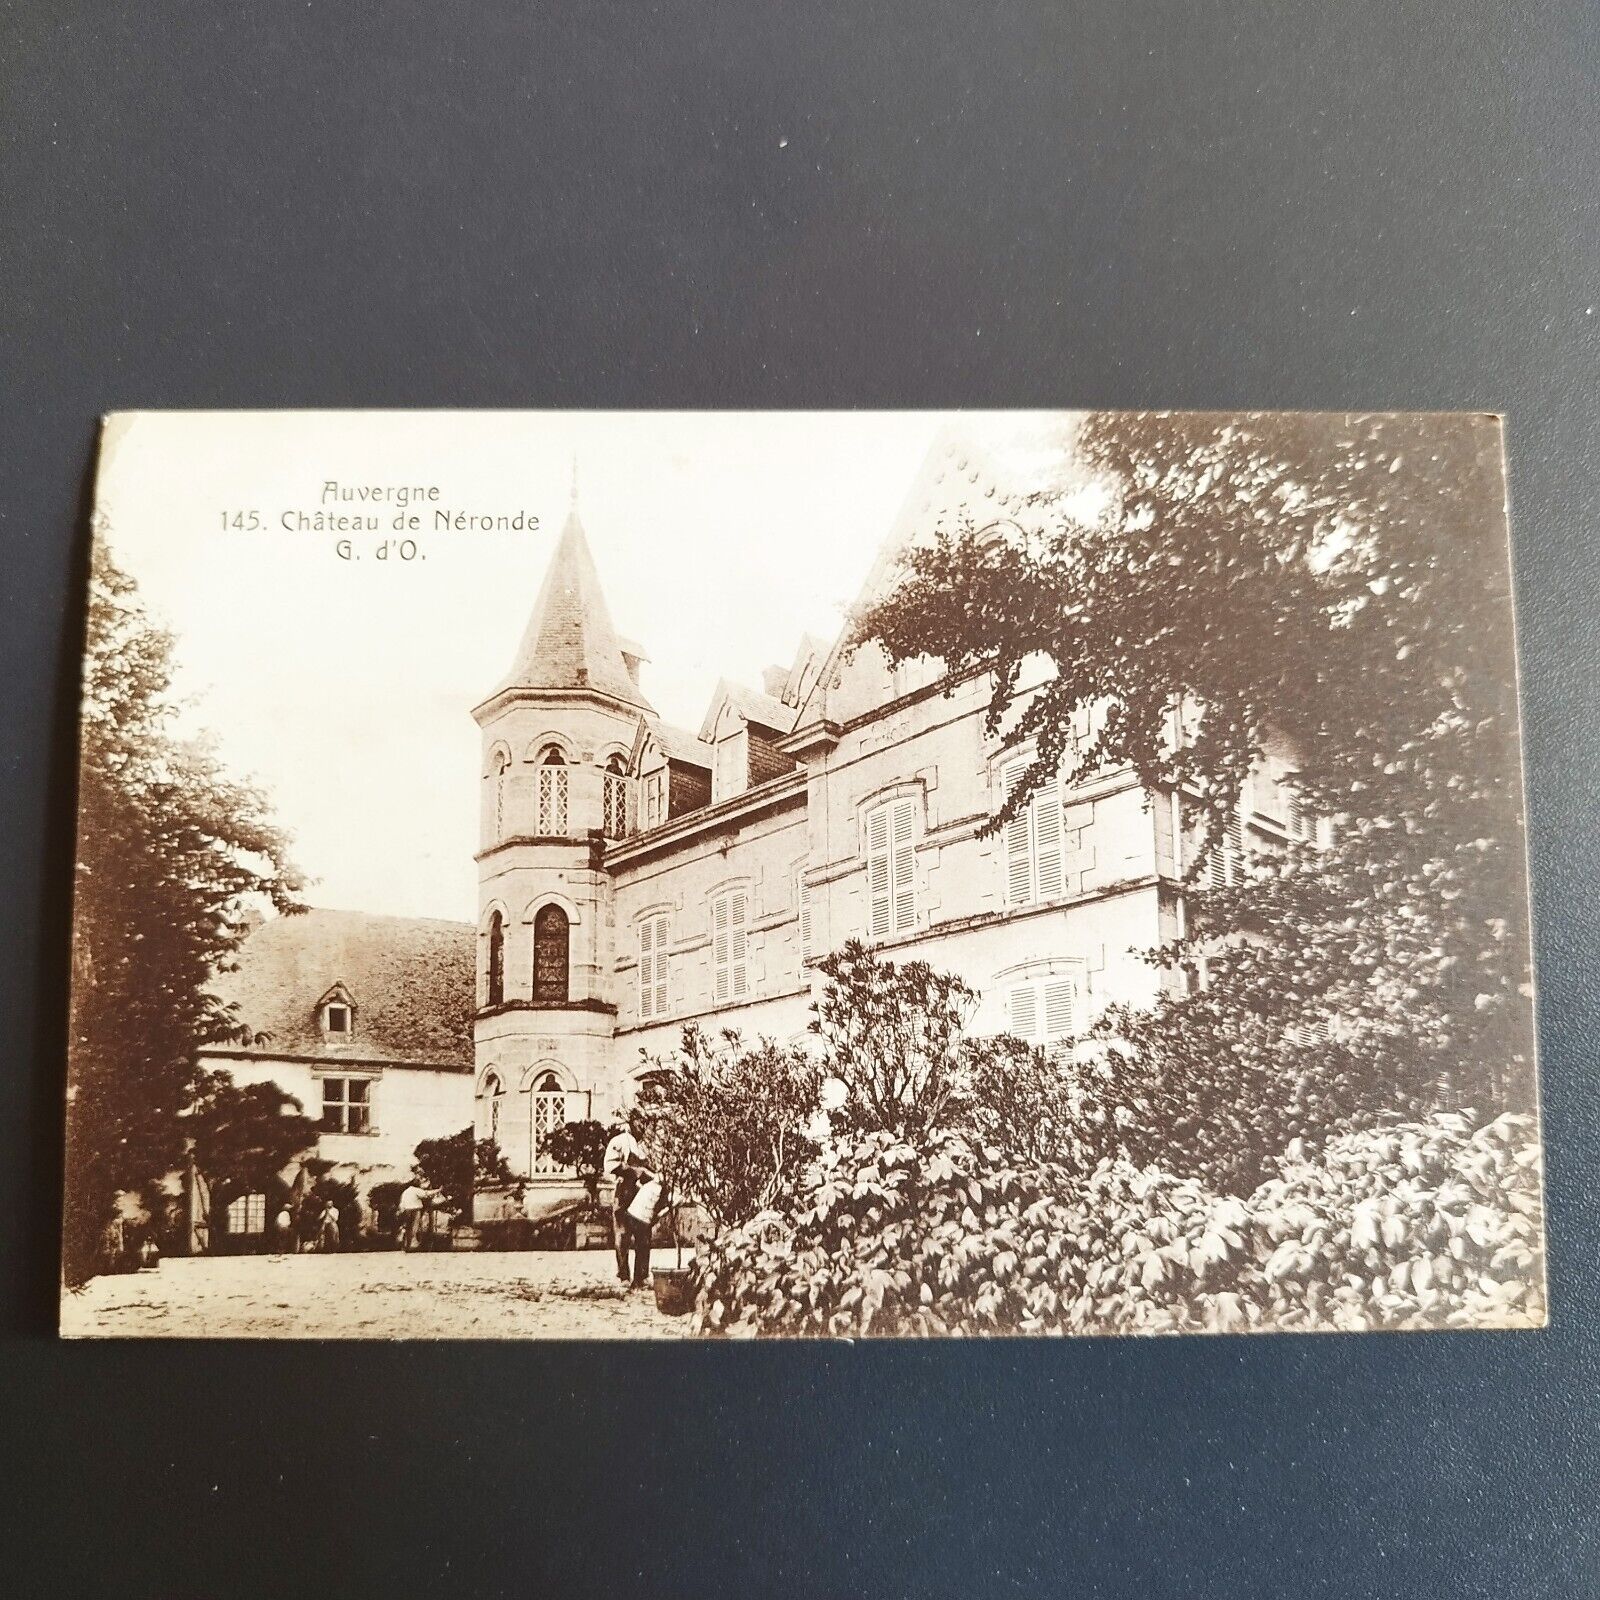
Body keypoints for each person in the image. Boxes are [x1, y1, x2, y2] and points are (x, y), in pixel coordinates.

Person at [603, 1111, 655, 1289]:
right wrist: (635, 1172)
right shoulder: (620, 1141)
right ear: (632, 1122)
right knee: (622, 1235)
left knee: (643, 1235)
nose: (644, 1126)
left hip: (643, 1193)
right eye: (641, 1122)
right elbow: (610, 1165)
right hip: (625, 1190)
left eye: (646, 1123)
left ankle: (641, 1277)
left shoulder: (647, 1145)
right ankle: (624, 1275)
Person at [397, 1180, 426, 1251]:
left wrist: (401, 1211)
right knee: (414, 1227)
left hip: (406, 1210)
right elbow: (426, 1194)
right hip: (415, 1210)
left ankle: (406, 1244)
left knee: (408, 1227)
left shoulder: (405, 1192)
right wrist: (438, 1190)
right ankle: (412, 1244)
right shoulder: (416, 1190)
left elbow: (401, 1203)